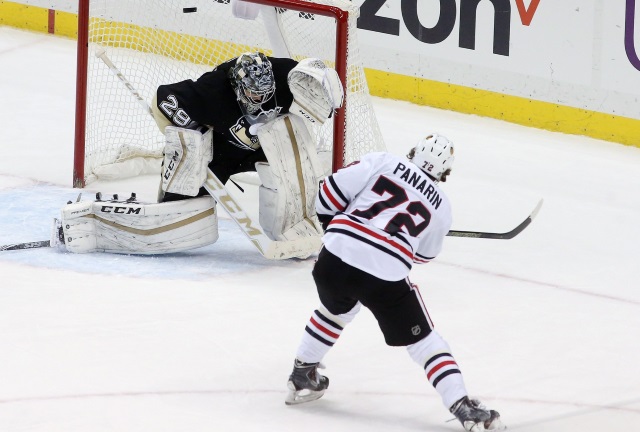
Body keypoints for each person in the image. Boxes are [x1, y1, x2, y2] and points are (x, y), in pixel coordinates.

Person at [284, 133, 506, 432]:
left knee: (335, 311)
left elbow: (328, 194)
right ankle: (462, 406)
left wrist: (336, 225)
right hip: (381, 275)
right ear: (445, 172)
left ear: (412, 152)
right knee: (425, 341)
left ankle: (302, 373)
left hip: (333, 259)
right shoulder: (441, 206)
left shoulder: (382, 161)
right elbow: (423, 257)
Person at [151, 51, 298, 201]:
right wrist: (194, 136)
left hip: (269, 147)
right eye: (252, 93)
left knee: (296, 172)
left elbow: (315, 79)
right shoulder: (214, 89)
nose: (260, 99)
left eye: (264, 92)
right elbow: (163, 98)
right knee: (189, 196)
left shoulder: (286, 74)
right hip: (223, 151)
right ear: (237, 85)